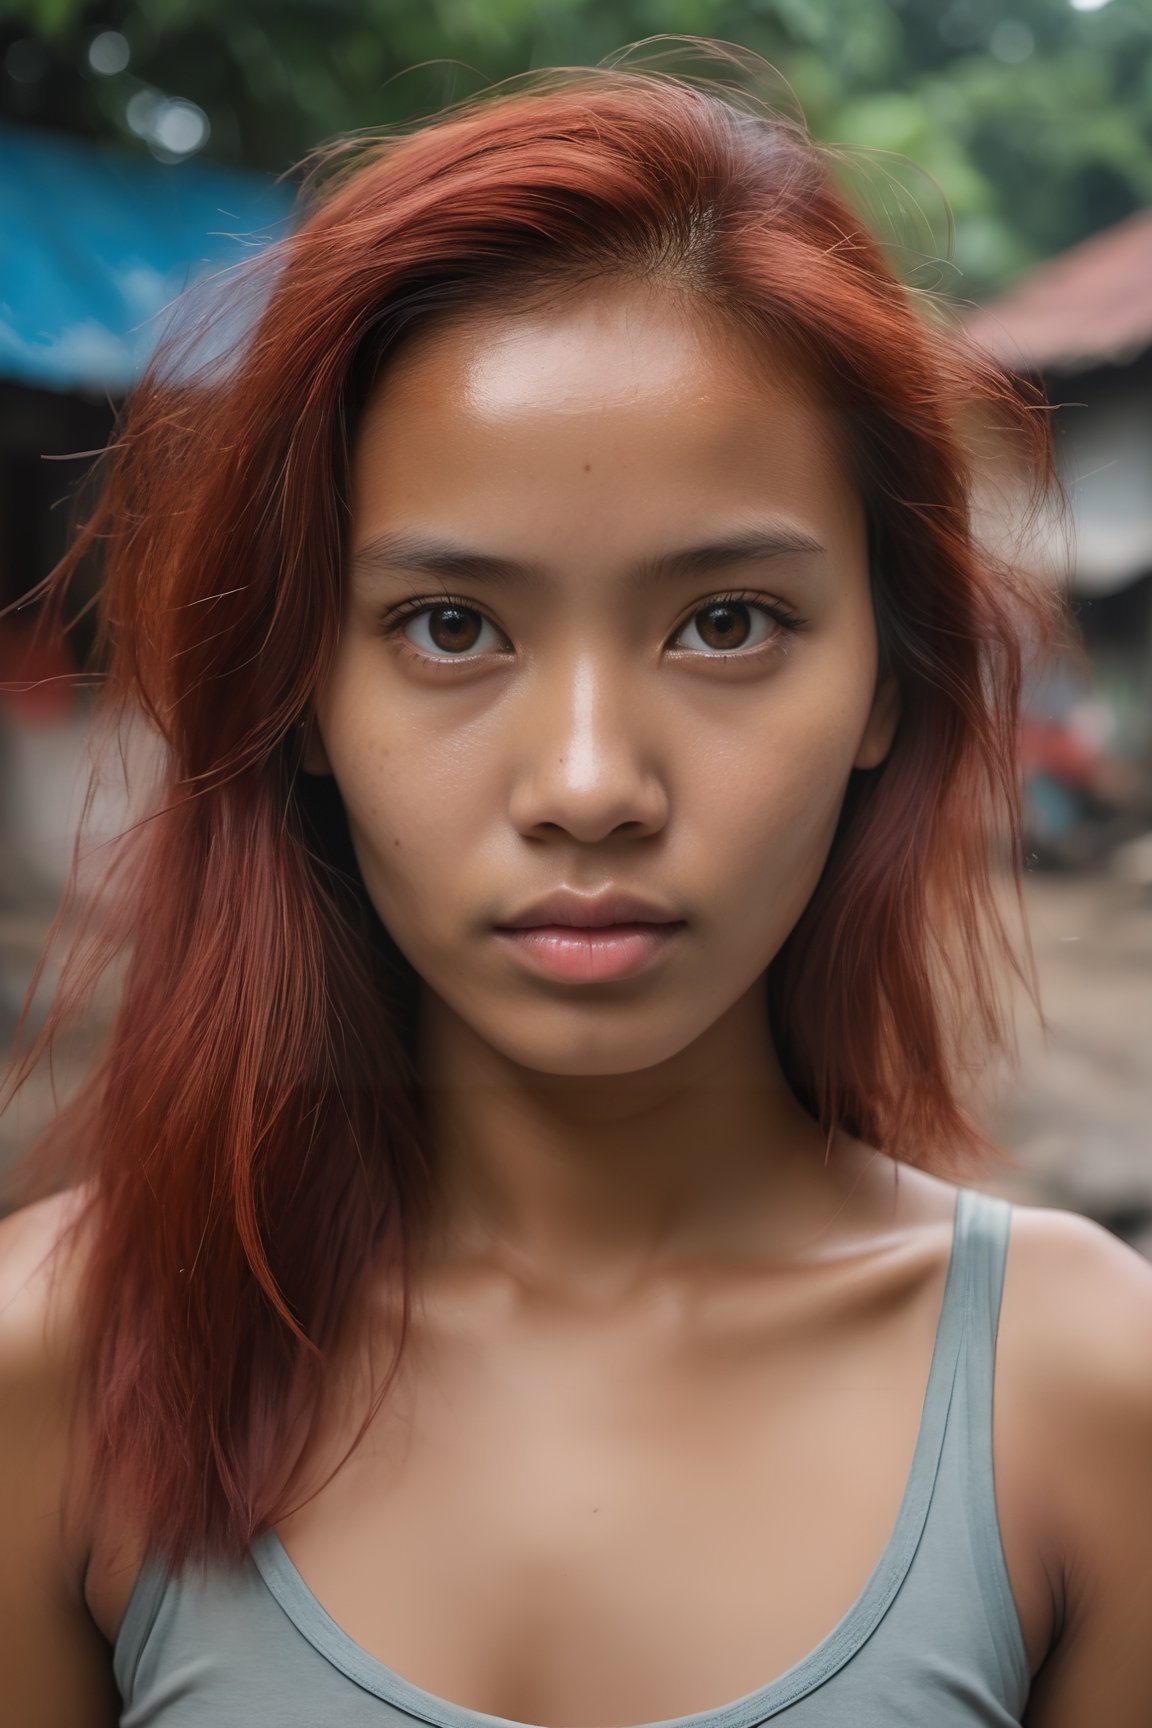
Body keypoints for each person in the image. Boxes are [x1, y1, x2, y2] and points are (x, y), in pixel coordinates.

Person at [2, 48, 1151, 1728]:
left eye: (727, 621)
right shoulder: (57, 1362)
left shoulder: (1087, 1393)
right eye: (451, 628)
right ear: (302, 696)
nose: (594, 785)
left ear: (890, 687)